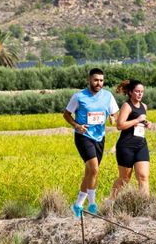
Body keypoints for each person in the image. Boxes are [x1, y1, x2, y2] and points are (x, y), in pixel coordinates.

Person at [63, 68, 119, 218]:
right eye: (95, 80)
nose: (98, 83)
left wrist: (113, 118)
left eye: (101, 80)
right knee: (94, 169)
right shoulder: (79, 96)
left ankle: (77, 205)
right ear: (89, 80)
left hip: (100, 137)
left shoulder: (108, 96)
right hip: (83, 136)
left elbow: (114, 112)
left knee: (89, 172)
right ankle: (92, 205)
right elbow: (66, 114)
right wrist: (77, 126)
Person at [109, 79, 151, 202]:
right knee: (124, 179)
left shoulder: (144, 106)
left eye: (142, 92)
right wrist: (137, 120)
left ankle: (145, 205)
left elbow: (141, 122)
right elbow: (120, 125)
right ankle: (110, 201)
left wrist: (146, 123)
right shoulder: (127, 106)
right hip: (126, 146)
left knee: (143, 176)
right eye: (137, 91)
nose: (140, 94)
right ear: (131, 92)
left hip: (141, 144)